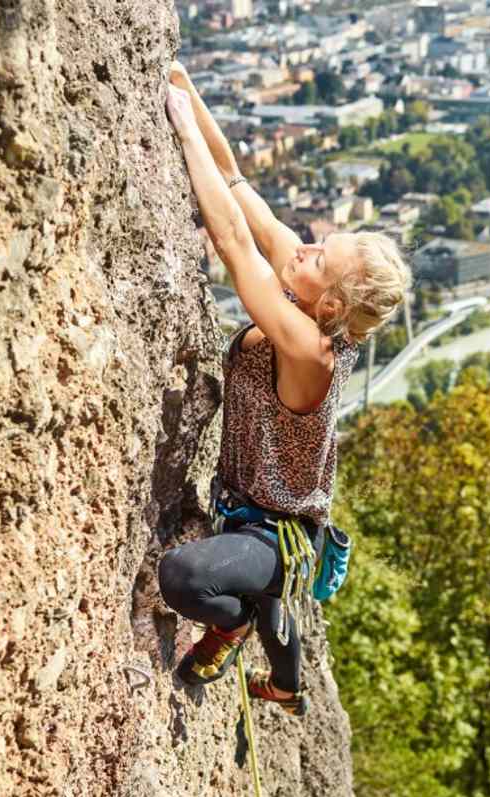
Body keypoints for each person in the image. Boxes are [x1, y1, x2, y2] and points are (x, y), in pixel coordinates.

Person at [157, 63, 410, 716]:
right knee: (274, 596)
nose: (302, 250)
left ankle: (231, 625)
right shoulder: (308, 294)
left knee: (185, 579)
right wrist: (191, 93)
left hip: (273, 533)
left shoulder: (309, 348)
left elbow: (234, 243)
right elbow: (239, 184)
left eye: (319, 258)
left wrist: (182, 132)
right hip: (268, 511)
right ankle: (289, 683)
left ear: (329, 306)